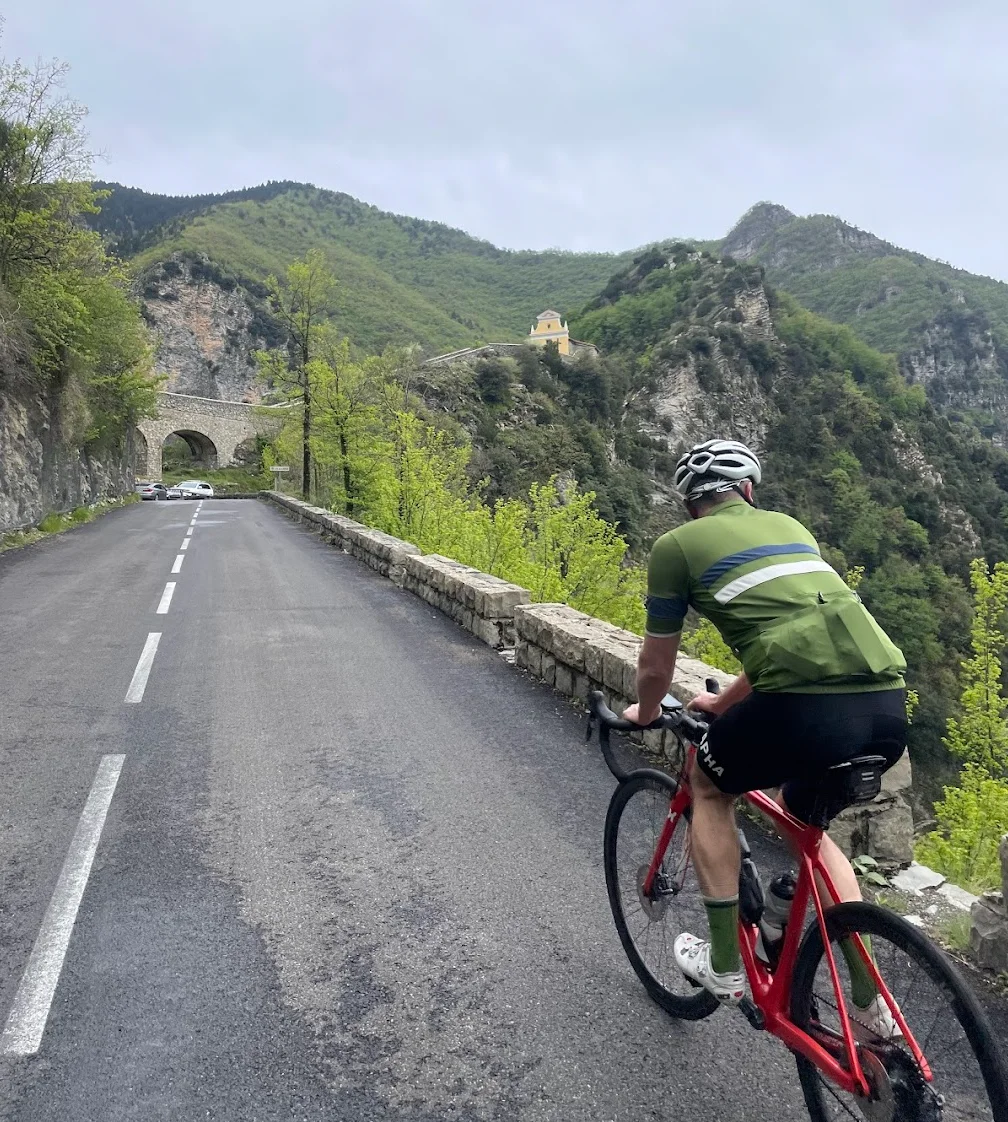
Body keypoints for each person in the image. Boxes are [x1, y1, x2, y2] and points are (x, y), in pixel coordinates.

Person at [622, 439, 907, 1031]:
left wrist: (646, 712)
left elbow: (655, 667)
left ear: (690, 505)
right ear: (748, 491)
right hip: (884, 704)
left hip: (799, 708)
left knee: (709, 787)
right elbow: (798, 632)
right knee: (809, 828)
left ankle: (725, 964)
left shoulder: (676, 547)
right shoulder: (791, 527)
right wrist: (723, 702)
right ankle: (868, 1001)